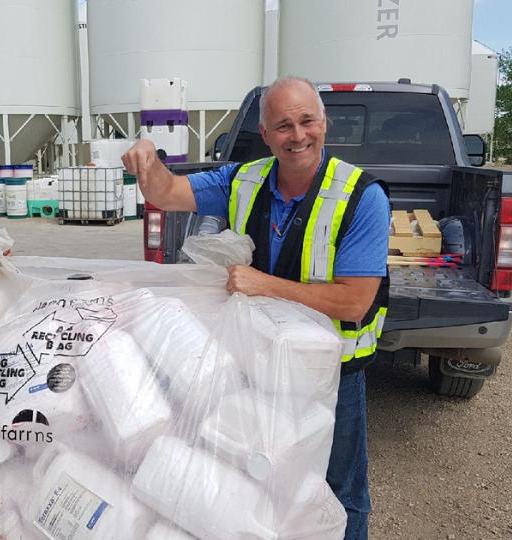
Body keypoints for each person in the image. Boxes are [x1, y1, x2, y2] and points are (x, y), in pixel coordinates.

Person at [123, 76, 390, 539]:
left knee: (338, 489)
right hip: (259, 367)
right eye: (283, 126)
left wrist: (266, 286)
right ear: (265, 135)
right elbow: (167, 194)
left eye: (307, 121)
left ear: (324, 123)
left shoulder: (360, 196)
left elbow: (354, 301)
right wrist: (150, 159)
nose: (298, 135)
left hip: (332, 375)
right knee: (259, 481)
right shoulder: (243, 180)